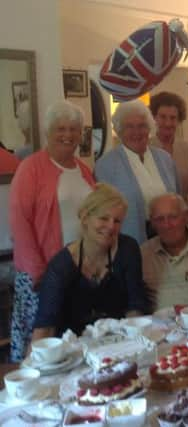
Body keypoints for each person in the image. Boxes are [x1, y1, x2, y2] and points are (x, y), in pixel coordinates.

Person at [8, 100, 95, 362]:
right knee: (42, 345)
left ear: (81, 134)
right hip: (44, 271)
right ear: (48, 132)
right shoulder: (31, 168)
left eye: (74, 129)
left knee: (72, 339)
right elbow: (20, 223)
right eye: (61, 129)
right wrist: (39, 272)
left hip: (80, 268)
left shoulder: (83, 169)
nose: (67, 135)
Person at [31, 184, 150, 338]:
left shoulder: (128, 249)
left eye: (117, 221)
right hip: (75, 348)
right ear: (85, 218)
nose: (110, 226)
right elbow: (45, 328)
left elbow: (136, 308)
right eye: (103, 218)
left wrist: (136, 342)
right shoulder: (61, 266)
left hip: (120, 341)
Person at [95, 99, 179, 244]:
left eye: (142, 126)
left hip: (168, 235)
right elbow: (104, 213)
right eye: (129, 127)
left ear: (150, 128)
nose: (136, 132)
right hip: (131, 240)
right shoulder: (106, 165)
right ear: (119, 130)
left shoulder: (165, 158)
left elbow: (177, 197)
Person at [150, 92, 188, 223]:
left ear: (179, 120)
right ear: (154, 118)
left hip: (187, 220)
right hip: (154, 221)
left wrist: (184, 216)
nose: (168, 123)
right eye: (163, 117)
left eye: (173, 118)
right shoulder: (145, 149)